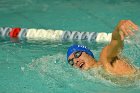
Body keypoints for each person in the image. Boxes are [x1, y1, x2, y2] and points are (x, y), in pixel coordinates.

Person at [67, 20, 139, 76]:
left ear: (88, 53)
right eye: (71, 62)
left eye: (77, 54)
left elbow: (115, 41)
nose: (75, 61)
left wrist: (119, 28)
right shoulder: (97, 77)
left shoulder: (104, 58)